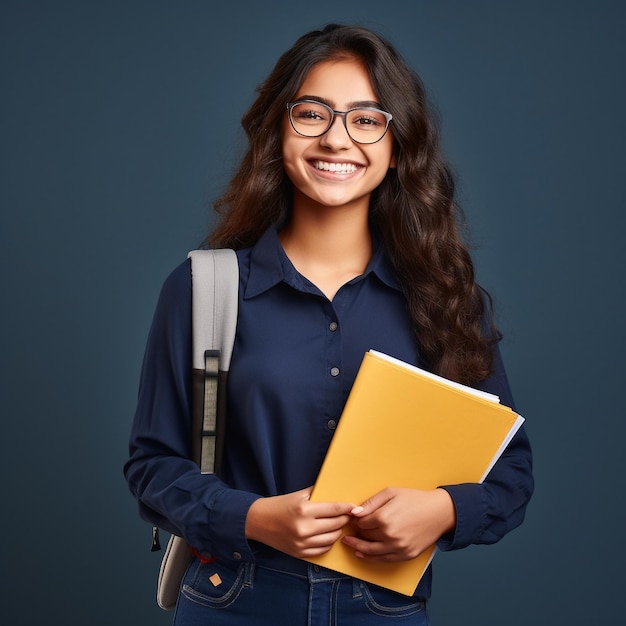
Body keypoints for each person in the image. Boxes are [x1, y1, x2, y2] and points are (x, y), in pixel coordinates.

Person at [124, 23, 533, 625]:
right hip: (235, 598)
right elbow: (152, 466)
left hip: (384, 608)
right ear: (277, 130)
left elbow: (511, 475)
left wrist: (443, 511)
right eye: (312, 113)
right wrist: (253, 518)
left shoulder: (447, 299)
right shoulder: (203, 289)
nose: (337, 139)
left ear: (398, 144)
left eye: (367, 119)